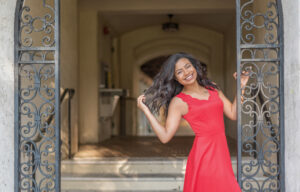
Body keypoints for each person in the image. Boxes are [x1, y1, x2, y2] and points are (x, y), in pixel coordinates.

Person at [137, 52, 249, 192]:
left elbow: (233, 113)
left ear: (194, 67)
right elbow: (165, 137)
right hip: (203, 157)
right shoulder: (179, 102)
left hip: (221, 153)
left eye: (187, 66)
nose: (186, 72)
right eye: (179, 72)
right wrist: (145, 110)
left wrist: (241, 86)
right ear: (176, 78)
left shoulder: (212, 87)